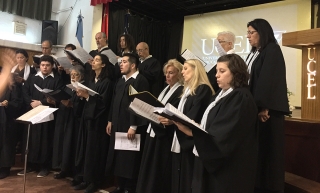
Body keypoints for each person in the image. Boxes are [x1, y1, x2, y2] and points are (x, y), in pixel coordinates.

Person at [175, 54, 258, 193]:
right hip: (211, 163)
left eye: (222, 71)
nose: (217, 76)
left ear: (236, 72)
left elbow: (224, 136)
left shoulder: (240, 97)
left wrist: (191, 131)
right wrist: (199, 127)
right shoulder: (222, 94)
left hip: (228, 170)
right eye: (216, 71)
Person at [246, 19, 289, 193]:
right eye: (247, 32)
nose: (248, 36)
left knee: (270, 154)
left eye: (251, 32)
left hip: (267, 113)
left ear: (262, 32)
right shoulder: (255, 52)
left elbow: (269, 81)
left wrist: (264, 107)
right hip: (257, 109)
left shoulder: (272, 49)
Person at [136, 59, 184, 193]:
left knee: (158, 170)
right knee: (150, 167)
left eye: (171, 73)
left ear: (179, 74)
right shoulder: (165, 89)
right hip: (154, 130)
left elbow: (173, 113)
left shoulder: (180, 91)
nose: (167, 76)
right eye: (166, 73)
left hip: (164, 135)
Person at [106, 53, 149, 193]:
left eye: (124, 62)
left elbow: (139, 104)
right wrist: (110, 120)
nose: (121, 64)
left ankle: (129, 188)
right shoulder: (121, 81)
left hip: (130, 125)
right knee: (118, 156)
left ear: (133, 65)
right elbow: (114, 101)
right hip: (118, 123)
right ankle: (120, 185)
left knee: (129, 158)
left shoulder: (140, 80)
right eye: (121, 62)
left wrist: (133, 126)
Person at [170, 59, 214, 193]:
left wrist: (172, 118)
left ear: (196, 70)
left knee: (188, 177)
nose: (182, 72)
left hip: (191, 139)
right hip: (181, 134)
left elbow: (194, 114)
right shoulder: (188, 90)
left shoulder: (203, 89)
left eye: (185, 69)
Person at [74, 54, 114, 193]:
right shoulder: (91, 80)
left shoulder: (107, 82)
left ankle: (94, 181)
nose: (93, 62)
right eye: (94, 60)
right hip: (87, 119)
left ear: (103, 65)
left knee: (94, 152)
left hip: (98, 122)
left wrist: (87, 97)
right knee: (85, 149)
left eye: (97, 60)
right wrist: (82, 96)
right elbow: (89, 98)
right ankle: (85, 178)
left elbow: (104, 104)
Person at [20, 55, 64, 177]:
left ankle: (44, 166)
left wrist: (41, 102)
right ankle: (30, 165)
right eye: (43, 65)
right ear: (39, 66)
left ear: (52, 66)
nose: (45, 68)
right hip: (33, 111)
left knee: (45, 140)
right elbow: (25, 92)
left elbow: (58, 96)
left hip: (47, 113)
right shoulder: (33, 77)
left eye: (48, 65)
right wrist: (30, 102)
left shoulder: (57, 79)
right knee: (31, 139)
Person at [52, 65, 86, 180]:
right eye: (71, 75)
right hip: (63, 118)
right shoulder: (68, 87)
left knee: (71, 145)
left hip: (74, 121)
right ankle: (63, 169)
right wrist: (54, 100)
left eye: (76, 75)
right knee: (62, 144)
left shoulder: (83, 88)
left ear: (81, 76)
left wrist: (72, 105)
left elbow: (83, 106)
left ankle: (73, 171)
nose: (73, 77)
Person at [0, 73, 22, 179]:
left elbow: (17, 103)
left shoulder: (13, 89)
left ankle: (5, 168)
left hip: (7, 121)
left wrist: (8, 104)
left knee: (6, 145)